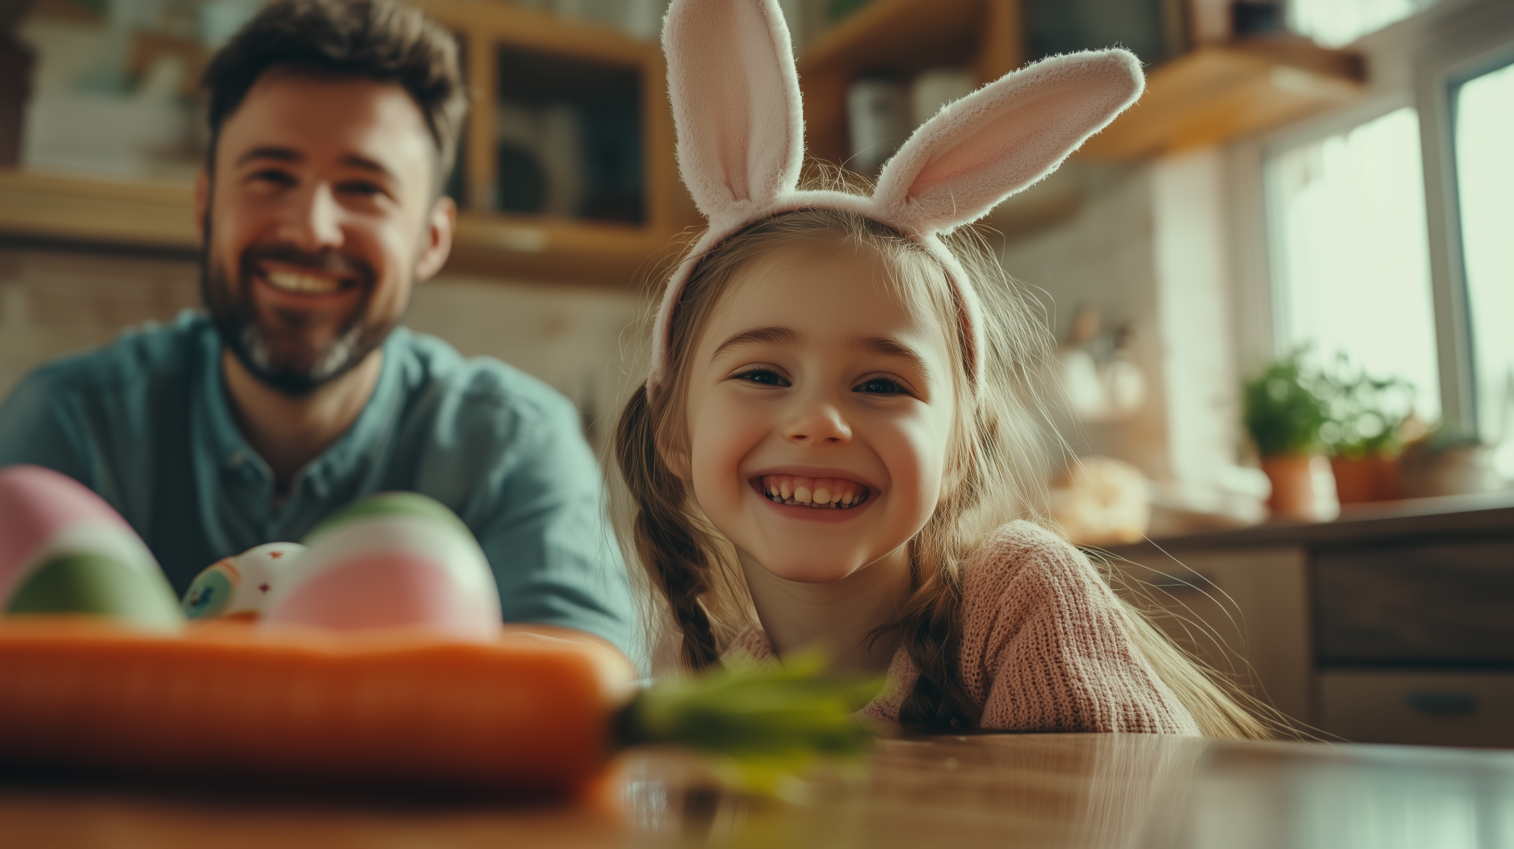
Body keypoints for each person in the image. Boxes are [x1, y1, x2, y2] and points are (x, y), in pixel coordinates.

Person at [613, 0, 1268, 735]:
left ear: (962, 449)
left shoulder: (1017, 597)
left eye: (882, 384)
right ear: (674, 431)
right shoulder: (701, 662)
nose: (818, 422)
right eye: (764, 374)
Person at [0, 0, 637, 659]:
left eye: (364, 188)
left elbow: (584, 696)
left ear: (432, 238)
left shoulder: (513, 448)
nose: (311, 228)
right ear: (204, 205)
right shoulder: (69, 428)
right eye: (271, 176)